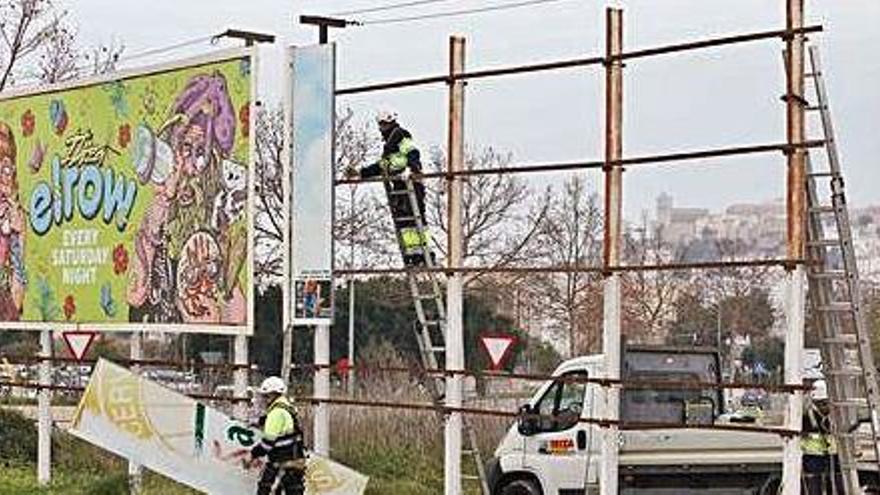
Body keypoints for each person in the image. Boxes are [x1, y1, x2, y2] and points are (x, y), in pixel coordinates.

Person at [347, 111, 430, 266]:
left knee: (417, 218)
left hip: (411, 183)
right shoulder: (389, 145)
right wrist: (361, 173)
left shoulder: (401, 135)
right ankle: (413, 254)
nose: (382, 128)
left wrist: (412, 169)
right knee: (405, 221)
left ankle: (425, 254)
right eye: (381, 124)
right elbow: (382, 166)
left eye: (384, 124)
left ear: (390, 123)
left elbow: (412, 152)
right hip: (399, 185)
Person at [251, 376, 306, 495]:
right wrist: (260, 421)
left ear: (273, 395)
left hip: (280, 464)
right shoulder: (286, 409)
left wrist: (253, 453)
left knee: (265, 490)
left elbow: (267, 444)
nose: (264, 399)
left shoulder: (275, 413)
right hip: (294, 462)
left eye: (266, 396)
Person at [802, 379, 842, 495]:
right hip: (813, 458)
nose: (825, 407)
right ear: (814, 402)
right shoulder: (807, 416)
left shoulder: (835, 416)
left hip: (833, 456)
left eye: (826, 403)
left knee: (836, 484)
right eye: (821, 403)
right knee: (814, 488)